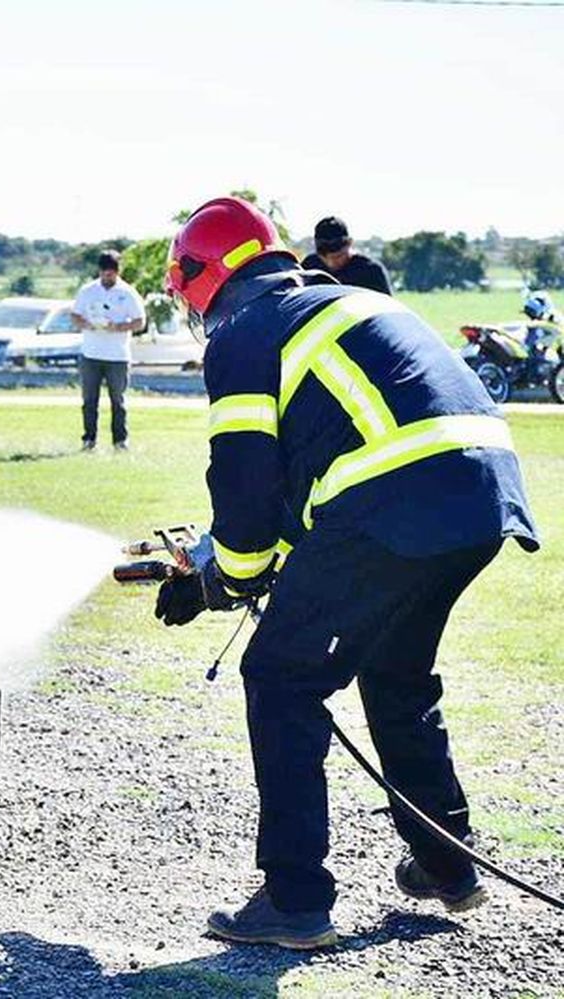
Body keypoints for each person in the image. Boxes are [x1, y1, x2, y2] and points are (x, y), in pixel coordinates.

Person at [157, 196, 537, 949]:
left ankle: (295, 900)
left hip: (393, 496)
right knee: (395, 673)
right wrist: (221, 561)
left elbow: (245, 485)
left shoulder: (242, 333)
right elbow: (313, 478)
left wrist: (219, 578)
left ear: (202, 279)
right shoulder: (347, 299)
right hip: (482, 494)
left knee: (281, 676)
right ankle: (447, 862)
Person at [71, 250, 146, 451]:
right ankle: (89, 440)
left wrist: (119, 327)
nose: (108, 278)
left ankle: (120, 441)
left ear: (117, 272)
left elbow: (140, 322)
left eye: (111, 274)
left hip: (117, 356)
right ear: (99, 271)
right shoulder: (87, 291)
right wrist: (86, 324)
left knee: (118, 401)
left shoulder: (128, 293)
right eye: (105, 274)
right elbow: (75, 316)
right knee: (89, 401)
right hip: (91, 354)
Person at [300, 216, 392, 294]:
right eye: (324, 257)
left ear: (350, 243)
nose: (331, 263)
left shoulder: (371, 271)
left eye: (338, 257)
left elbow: (386, 308)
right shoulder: (309, 267)